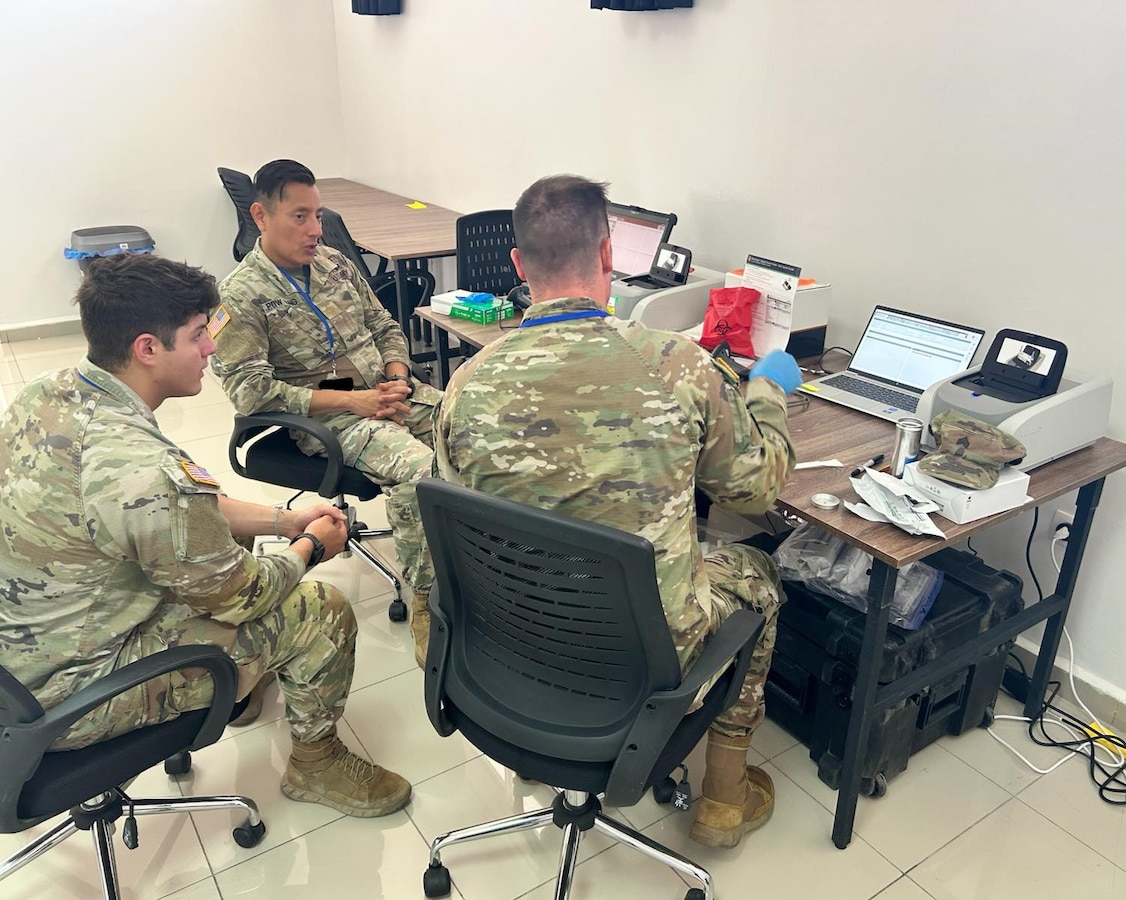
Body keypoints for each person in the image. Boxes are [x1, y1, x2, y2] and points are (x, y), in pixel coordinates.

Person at [433, 174, 800, 848]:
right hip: (647, 657)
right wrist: (769, 394)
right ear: (608, 255)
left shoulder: (465, 383)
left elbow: (465, 524)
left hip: (512, 642)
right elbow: (755, 492)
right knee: (756, 573)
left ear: (518, 264)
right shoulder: (679, 366)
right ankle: (725, 797)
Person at [0, 253, 411, 818]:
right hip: (69, 699)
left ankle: (245, 683)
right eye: (198, 335)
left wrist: (282, 520)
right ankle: (315, 765)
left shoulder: (48, 394)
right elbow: (248, 595)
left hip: (19, 661)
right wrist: (314, 545)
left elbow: (181, 510)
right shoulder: (145, 471)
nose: (212, 348)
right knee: (320, 610)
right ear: (148, 348)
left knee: (228, 543)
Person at [210, 159, 440, 668]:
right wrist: (354, 402)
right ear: (261, 216)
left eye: (317, 215)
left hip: (387, 392)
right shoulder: (241, 295)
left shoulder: (334, 263)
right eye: (300, 216)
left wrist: (397, 375)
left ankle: (480, 560)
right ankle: (426, 599)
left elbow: (384, 325)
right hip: (331, 418)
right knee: (421, 472)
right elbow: (250, 392)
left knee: (472, 430)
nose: (315, 229)